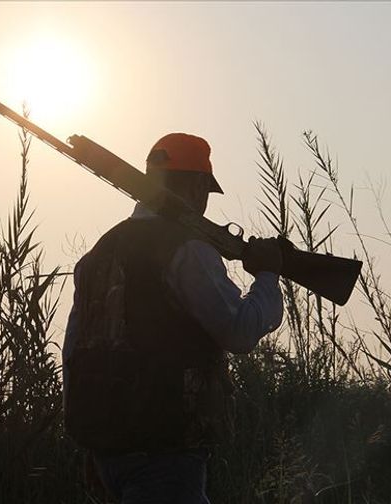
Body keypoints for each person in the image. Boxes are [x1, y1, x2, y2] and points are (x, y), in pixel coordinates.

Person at [62, 132, 284, 504]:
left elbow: (75, 353)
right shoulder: (186, 249)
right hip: (165, 451)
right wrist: (267, 275)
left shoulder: (99, 253)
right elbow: (240, 332)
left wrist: (91, 444)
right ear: (198, 187)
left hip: (108, 453)